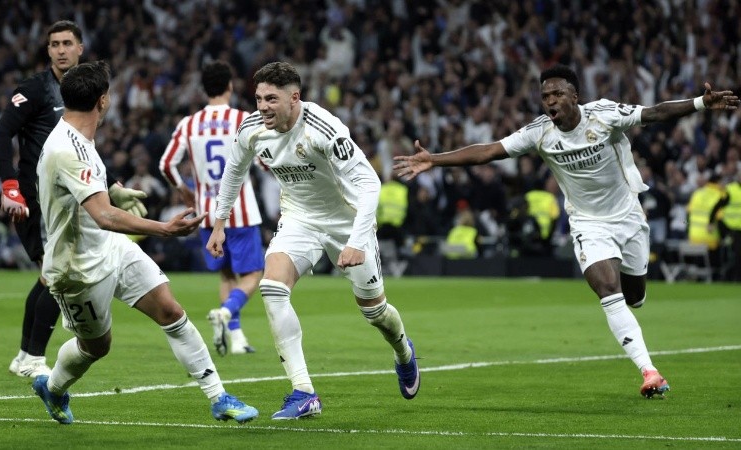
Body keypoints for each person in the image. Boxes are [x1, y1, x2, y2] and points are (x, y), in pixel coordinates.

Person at [394, 64, 739, 398]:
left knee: (635, 297)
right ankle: (649, 372)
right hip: (588, 224)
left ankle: (637, 309)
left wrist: (698, 104)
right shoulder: (539, 132)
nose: (551, 102)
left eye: (558, 94)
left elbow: (655, 113)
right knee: (607, 289)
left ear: (575, 96)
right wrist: (434, 159)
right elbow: (489, 151)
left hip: (629, 217)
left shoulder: (603, 115)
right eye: (545, 96)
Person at [32, 60, 257, 425]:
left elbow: (87, 198)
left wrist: (111, 193)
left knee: (171, 310)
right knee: (96, 347)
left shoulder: (76, 137)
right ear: (102, 101)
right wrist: (163, 229)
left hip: (111, 247)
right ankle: (53, 387)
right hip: (78, 269)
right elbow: (103, 216)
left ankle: (219, 398)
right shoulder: (67, 148)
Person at [206, 61, 420, 419]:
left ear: (295, 97)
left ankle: (403, 352)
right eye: (258, 98)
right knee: (272, 287)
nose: (262, 107)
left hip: (347, 221)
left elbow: (370, 184)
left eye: (271, 99)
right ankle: (304, 391)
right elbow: (233, 172)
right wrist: (219, 222)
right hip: (300, 219)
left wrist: (355, 239)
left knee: (375, 312)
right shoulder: (253, 128)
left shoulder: (324, 128)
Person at [0, 21, 147, 378]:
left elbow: (85, 149)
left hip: (70, 199)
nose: (60, 50)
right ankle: (31, 357)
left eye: (67, 43)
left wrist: (112, 186)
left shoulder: (83, 90)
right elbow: (2, 132)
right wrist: (9, 185)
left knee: (48, 273)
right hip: (37, 198)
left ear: (80, 48)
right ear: (48, 50)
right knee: (52, 273)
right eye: (54, 44)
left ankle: (25, 356)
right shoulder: (36, 89)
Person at [159, 60, 263, 356]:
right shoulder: (244, 119)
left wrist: (183, 190)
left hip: (206, 213)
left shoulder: (189, 123)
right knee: (254, 273)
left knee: (227, 276)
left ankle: (237, 339)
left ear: (204, 89)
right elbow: (265, 160)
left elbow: (166, 164)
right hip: (240, 210)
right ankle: (228, 312)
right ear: (230, 86)